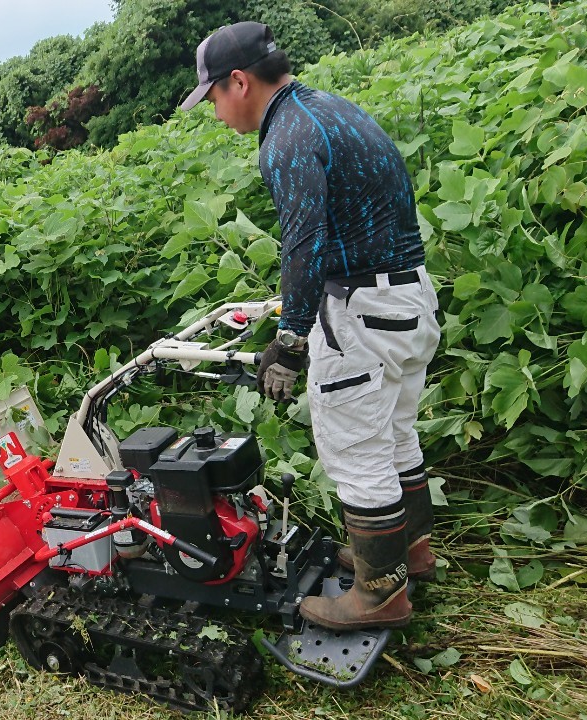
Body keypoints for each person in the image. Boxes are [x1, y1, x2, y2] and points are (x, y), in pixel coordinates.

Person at [179, 22, 441, 631]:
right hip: (407, 299)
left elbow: (305, 245)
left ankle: (379, 595)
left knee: (356, 450)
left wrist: (291, 343)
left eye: (213, 96)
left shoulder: (287, 139)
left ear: (238, 81)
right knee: (397, 435)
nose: (215, 111)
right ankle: (408, 556)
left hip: (359, 316)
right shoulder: (329, 109)